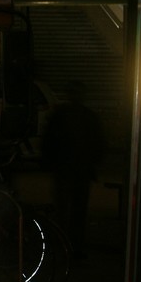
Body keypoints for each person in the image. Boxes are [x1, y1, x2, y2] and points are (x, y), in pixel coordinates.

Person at [42, 80, 105, 259]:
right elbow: (99, 143)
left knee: (64, 209)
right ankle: (73, 247)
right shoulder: (88, 116)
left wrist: (49, 162)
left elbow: (49, 141)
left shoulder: (61, 115)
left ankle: (62, 246)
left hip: (65, 169)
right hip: (79, 170)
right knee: (77, 211)